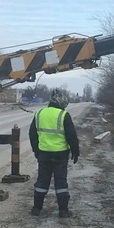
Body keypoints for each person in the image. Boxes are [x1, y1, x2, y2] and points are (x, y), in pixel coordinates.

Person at [29, 89, 80, 218]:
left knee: (42, 181)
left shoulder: (39, 113)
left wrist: (36, 150)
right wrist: (75, 152)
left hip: (44, 154)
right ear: (62, 102)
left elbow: (32, 134)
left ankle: (36, 209)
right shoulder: (63, 115)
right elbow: (71, 136)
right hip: (60, 155)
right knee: (61, 182)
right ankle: (63, 211)